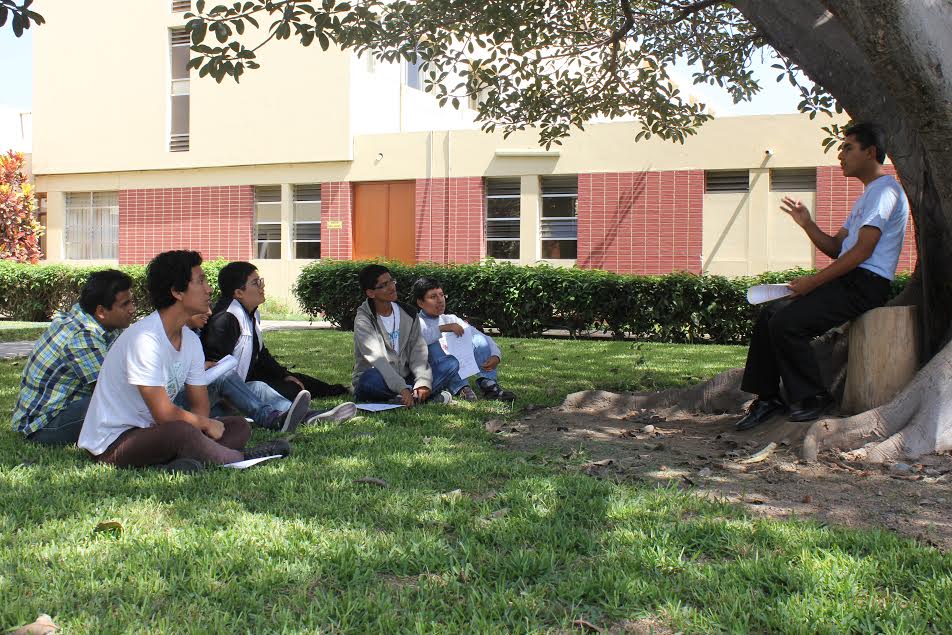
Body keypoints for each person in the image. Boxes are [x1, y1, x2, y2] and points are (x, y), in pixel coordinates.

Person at [736, 122, 910, 431]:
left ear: (870, 152)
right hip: (849, 277)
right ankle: (767, 398)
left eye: (847, 147)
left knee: (788, 323)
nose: (840, 155)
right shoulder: (867, 197)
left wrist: (811, 283)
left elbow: (863, 252)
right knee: (770, 315)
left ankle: (814, 397)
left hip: (866, 283)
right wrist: (807, 224)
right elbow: (837, 248)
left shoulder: (887, 191)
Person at [78, 250, 290, 472]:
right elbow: (164, 414)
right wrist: (205, 425)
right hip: (114, 442)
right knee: (182, 431)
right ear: (177, 292)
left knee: (238, 426)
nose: (209, 289)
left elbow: (200, 407)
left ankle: (183, 462)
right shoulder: (144, 339)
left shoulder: (189, 340)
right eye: (201, 281)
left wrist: (204, 425)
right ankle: (238, 458)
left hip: (155, 431)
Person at [12, 270, 136, 445]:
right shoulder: (83, 336)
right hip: (42, 427)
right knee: (121, 404)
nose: (133, 309)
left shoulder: (92, 317)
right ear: (101, 311)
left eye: (132, 301)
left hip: (65, 409)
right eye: (125, 304)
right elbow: (111, 393)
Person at [201, 261, 350, 401]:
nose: (262, 286)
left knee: (297, 380)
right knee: (294, 390)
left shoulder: (250, 312)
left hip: (251, 375)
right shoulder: (226, 318)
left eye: (261, 281)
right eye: (256, 283)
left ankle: (341, 390)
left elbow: (260, 353)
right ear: (239, 293)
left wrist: (283, 375)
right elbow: (216, 367)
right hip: (234, 388)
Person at [181, 310, 311, 434]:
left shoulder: (192, 335)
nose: (209, 312)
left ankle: (305, 416)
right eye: (204, 303)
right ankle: (271, 419)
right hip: (180, 408)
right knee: (224, 376)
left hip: (200, 402)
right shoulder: (168, 335)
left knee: (257, 387)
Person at [352, 264, 456, 405]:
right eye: (384, 285)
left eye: (391, 281)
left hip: (407, 376)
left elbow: (417, 351)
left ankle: (402, 399)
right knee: (369, 379)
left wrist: (423, 381)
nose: (391, 287)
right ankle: (417, 398)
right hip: (380, 377)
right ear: (370, 293)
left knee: (450, 363)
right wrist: (402, 388)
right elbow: (378, 359)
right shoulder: (364, 319)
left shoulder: (408, 313)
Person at [411, 277, 516, 402]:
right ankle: (461, 388)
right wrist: (443, 328)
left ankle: (488, 384)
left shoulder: (450, 318)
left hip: (458, 363)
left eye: (441, 295)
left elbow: (481, 336)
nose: (440, 300)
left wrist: (495, 355)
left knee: (479, 340)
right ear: (420, 303)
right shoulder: (416, 322)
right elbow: (418, 341)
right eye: (433, 297)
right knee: (435, 347)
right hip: (436, 373)